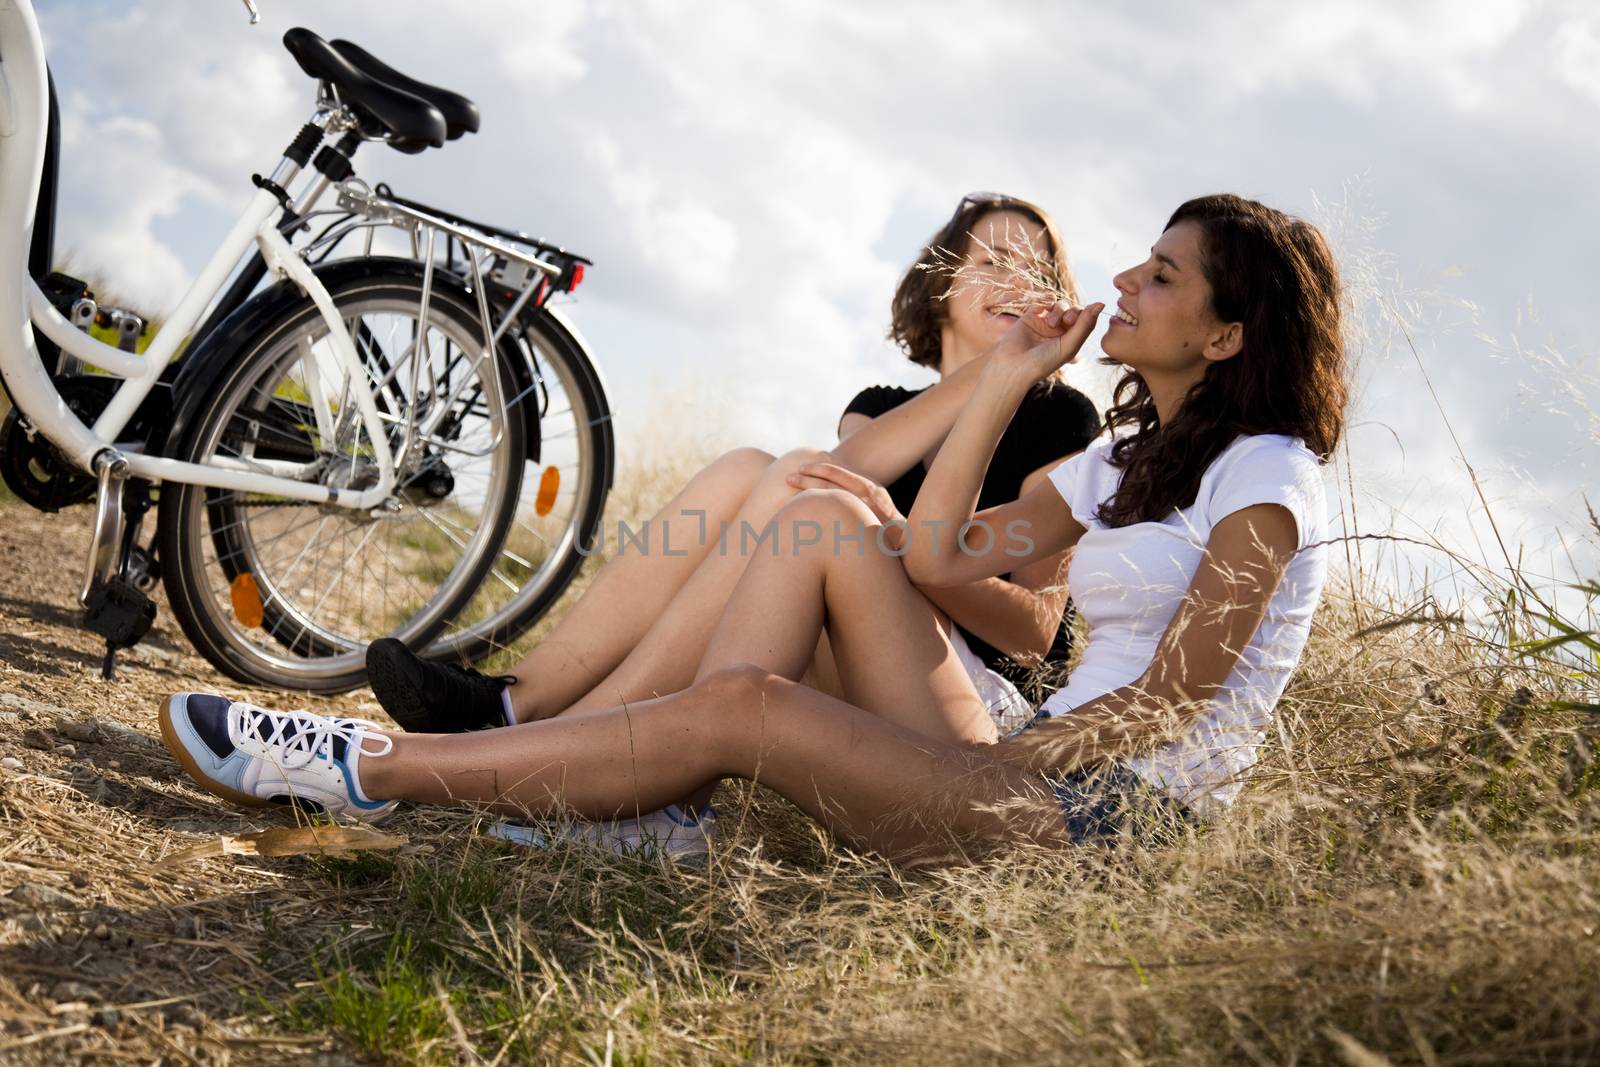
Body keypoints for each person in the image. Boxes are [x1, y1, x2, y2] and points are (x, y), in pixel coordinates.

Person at [159, 193, 1346, 860]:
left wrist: (986, 763)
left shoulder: (1266, 477)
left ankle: (362, 771)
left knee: (747, 702)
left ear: (1226, 334)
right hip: (1031, 741)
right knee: (821, 514)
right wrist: (999, 382)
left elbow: (1172, 701)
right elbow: (930, 554)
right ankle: (653, 801)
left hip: (1110, 812)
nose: (1125, 283)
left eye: (1161, 275)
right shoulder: (1120, 457)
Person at [358, 193, 1098, 854]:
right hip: (845, 671)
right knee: (756, 469)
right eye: (994, 259)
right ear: (941, 286)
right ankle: (529, 705)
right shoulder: (880, 403)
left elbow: (1035, 636)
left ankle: (552, 732)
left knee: (802, 491)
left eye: (1037, 271)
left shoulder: (1059, 418)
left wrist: (910, 531)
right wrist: (989, 372)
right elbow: (847, 466)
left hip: (962, 697)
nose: (1016, 282)